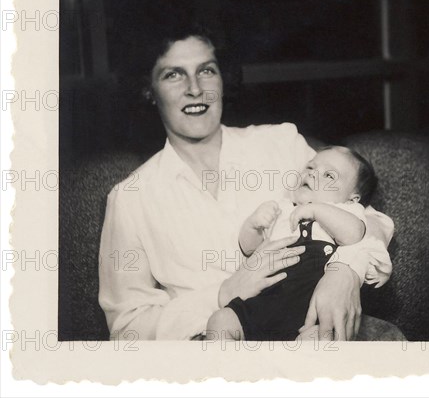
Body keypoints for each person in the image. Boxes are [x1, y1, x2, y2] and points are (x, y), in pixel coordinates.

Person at [98, 31, 395, 341]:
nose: (195, 89)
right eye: (173, 75)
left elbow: (371, 221)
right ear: (149, 90)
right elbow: (126, 329)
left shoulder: (280, 144)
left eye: (206, 70)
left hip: (307, 329)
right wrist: (222, 294)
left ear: (223, 79)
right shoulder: (130, 198)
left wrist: (345, 271)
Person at [207, 145, 378, 341]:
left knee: (322, 340)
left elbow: (354, 234)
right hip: (265, 301)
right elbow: (249, 249)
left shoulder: (347, 212)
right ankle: (234, 371)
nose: (313, 175)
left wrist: (315, 210)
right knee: (219, 321)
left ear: (352, 199)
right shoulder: (283, 209)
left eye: (329, 175)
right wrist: (252, 226)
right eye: (311, 168)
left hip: (310, 313)